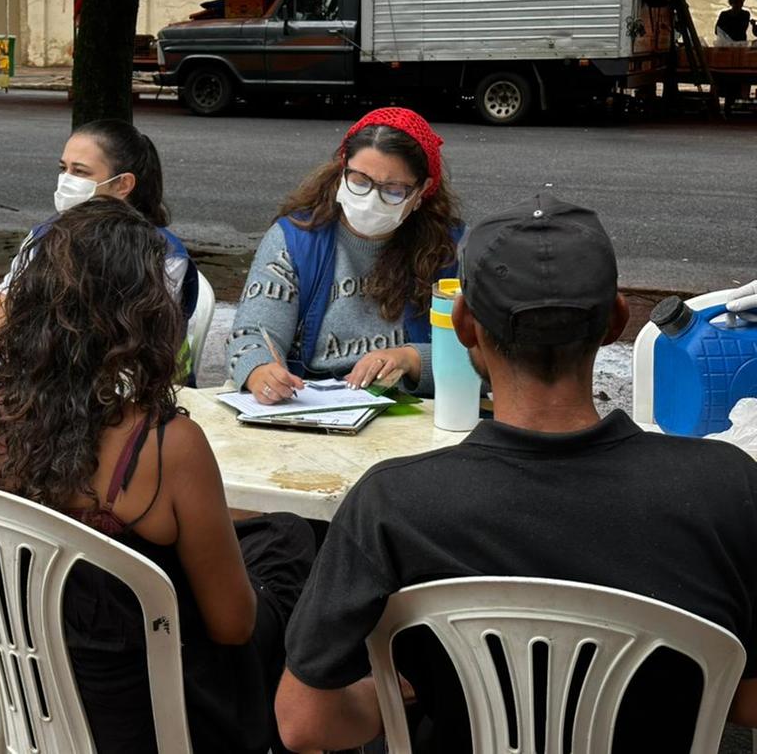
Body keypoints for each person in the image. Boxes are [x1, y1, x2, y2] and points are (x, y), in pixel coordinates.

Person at [274, 192, 757, 753]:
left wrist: (403, 694)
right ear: (616, 321)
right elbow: (746, 700)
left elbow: (305, 725)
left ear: (464, 327)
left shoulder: (391, 505)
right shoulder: (727, 487)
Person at [0, 197, 315, 754]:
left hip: (24, 701)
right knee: (292, 547)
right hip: (151, 720)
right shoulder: (165, 446)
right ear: (144, 314)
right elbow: (233, 626)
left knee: (275, 534)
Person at [227, 107, 461, 405]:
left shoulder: (447, 250)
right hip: (310, 404)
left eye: (393, 190)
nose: (371, 199)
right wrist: (261, 371)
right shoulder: (295, 239)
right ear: (342, 170)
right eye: (360, 181)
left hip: (410, 411)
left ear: (422, 190)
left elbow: (481, 357)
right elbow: (251, 334)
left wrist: (411, 359)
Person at [0, 119, 198, 345]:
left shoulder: (161, 254)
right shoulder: (45, 236)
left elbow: (140, 350)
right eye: (64, 169)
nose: (66, 181)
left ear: (122, 184)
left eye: (80, 172)